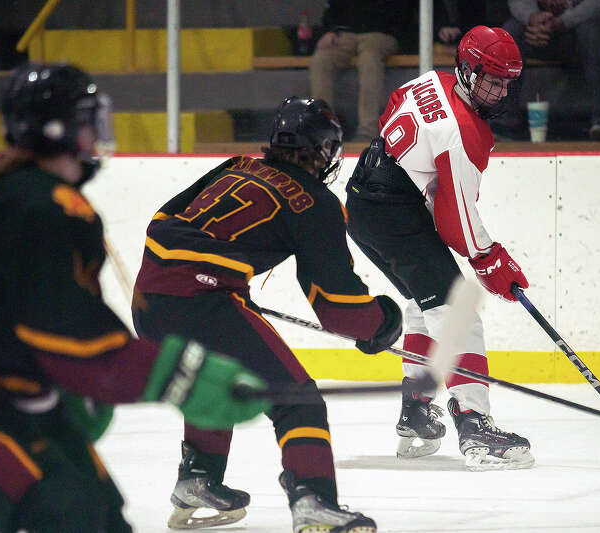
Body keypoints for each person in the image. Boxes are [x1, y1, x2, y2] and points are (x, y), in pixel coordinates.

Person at [0, 63, 268, 533]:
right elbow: (70, 335)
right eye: (88, 120)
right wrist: (183, 376)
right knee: (70, 512)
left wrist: (67, 387)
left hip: (20, 399)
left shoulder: (21, 195)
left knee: (103, 515)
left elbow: (37, 316)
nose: (96, 133)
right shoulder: (41, 207)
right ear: (57, 129)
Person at [131, 96, 402, 531]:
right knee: (298, 399)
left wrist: (228, 283)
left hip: (148, 298)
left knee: (216, 383)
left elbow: (165, 220)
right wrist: (382, 323)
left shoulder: (236, 164)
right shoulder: (315, 202)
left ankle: (197, 477)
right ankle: (313, 497)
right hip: (204, 302)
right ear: (323, 150)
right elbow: (338, 308)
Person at [345, 26, 535, 471]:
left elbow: (392, 111)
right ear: (467, 70)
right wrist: (490, 259)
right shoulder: (464, 131)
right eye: (491, 78)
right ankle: (475, 426)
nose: (500, 90)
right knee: (456, 309)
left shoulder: (433, 81)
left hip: (363, 201)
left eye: (507, 81)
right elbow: (457, 221)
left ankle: (415, 413)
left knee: (421, 301)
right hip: (394, 214)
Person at [504, 0, 600, 140]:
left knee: (590, 31)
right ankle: (501, 125)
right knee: (508, 34)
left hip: (592, 21)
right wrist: (532, 18)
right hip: (544, 28)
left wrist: (563, 22)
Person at [308, 0, 416, 141]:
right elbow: (332, 8)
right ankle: (324, 131)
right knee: (321, 60)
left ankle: (367, 132)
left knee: (369, 59)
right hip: (345, 34)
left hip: (382, 32)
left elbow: (405, 12)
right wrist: (328, 31)